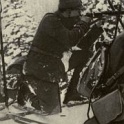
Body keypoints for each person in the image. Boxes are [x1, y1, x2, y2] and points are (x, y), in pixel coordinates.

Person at [22, 0, 103, 114]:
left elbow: (80, 45)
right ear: (68, 11)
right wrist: (83, 24)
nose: (80, 14)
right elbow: (70, 39)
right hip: (40, 68)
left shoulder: (65, 22)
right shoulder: (50, 20)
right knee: (51, 110)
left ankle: (72, 92)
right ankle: (25, 93)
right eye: (78, 11)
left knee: (84, 54)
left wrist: (96, 28)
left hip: (53, 65)